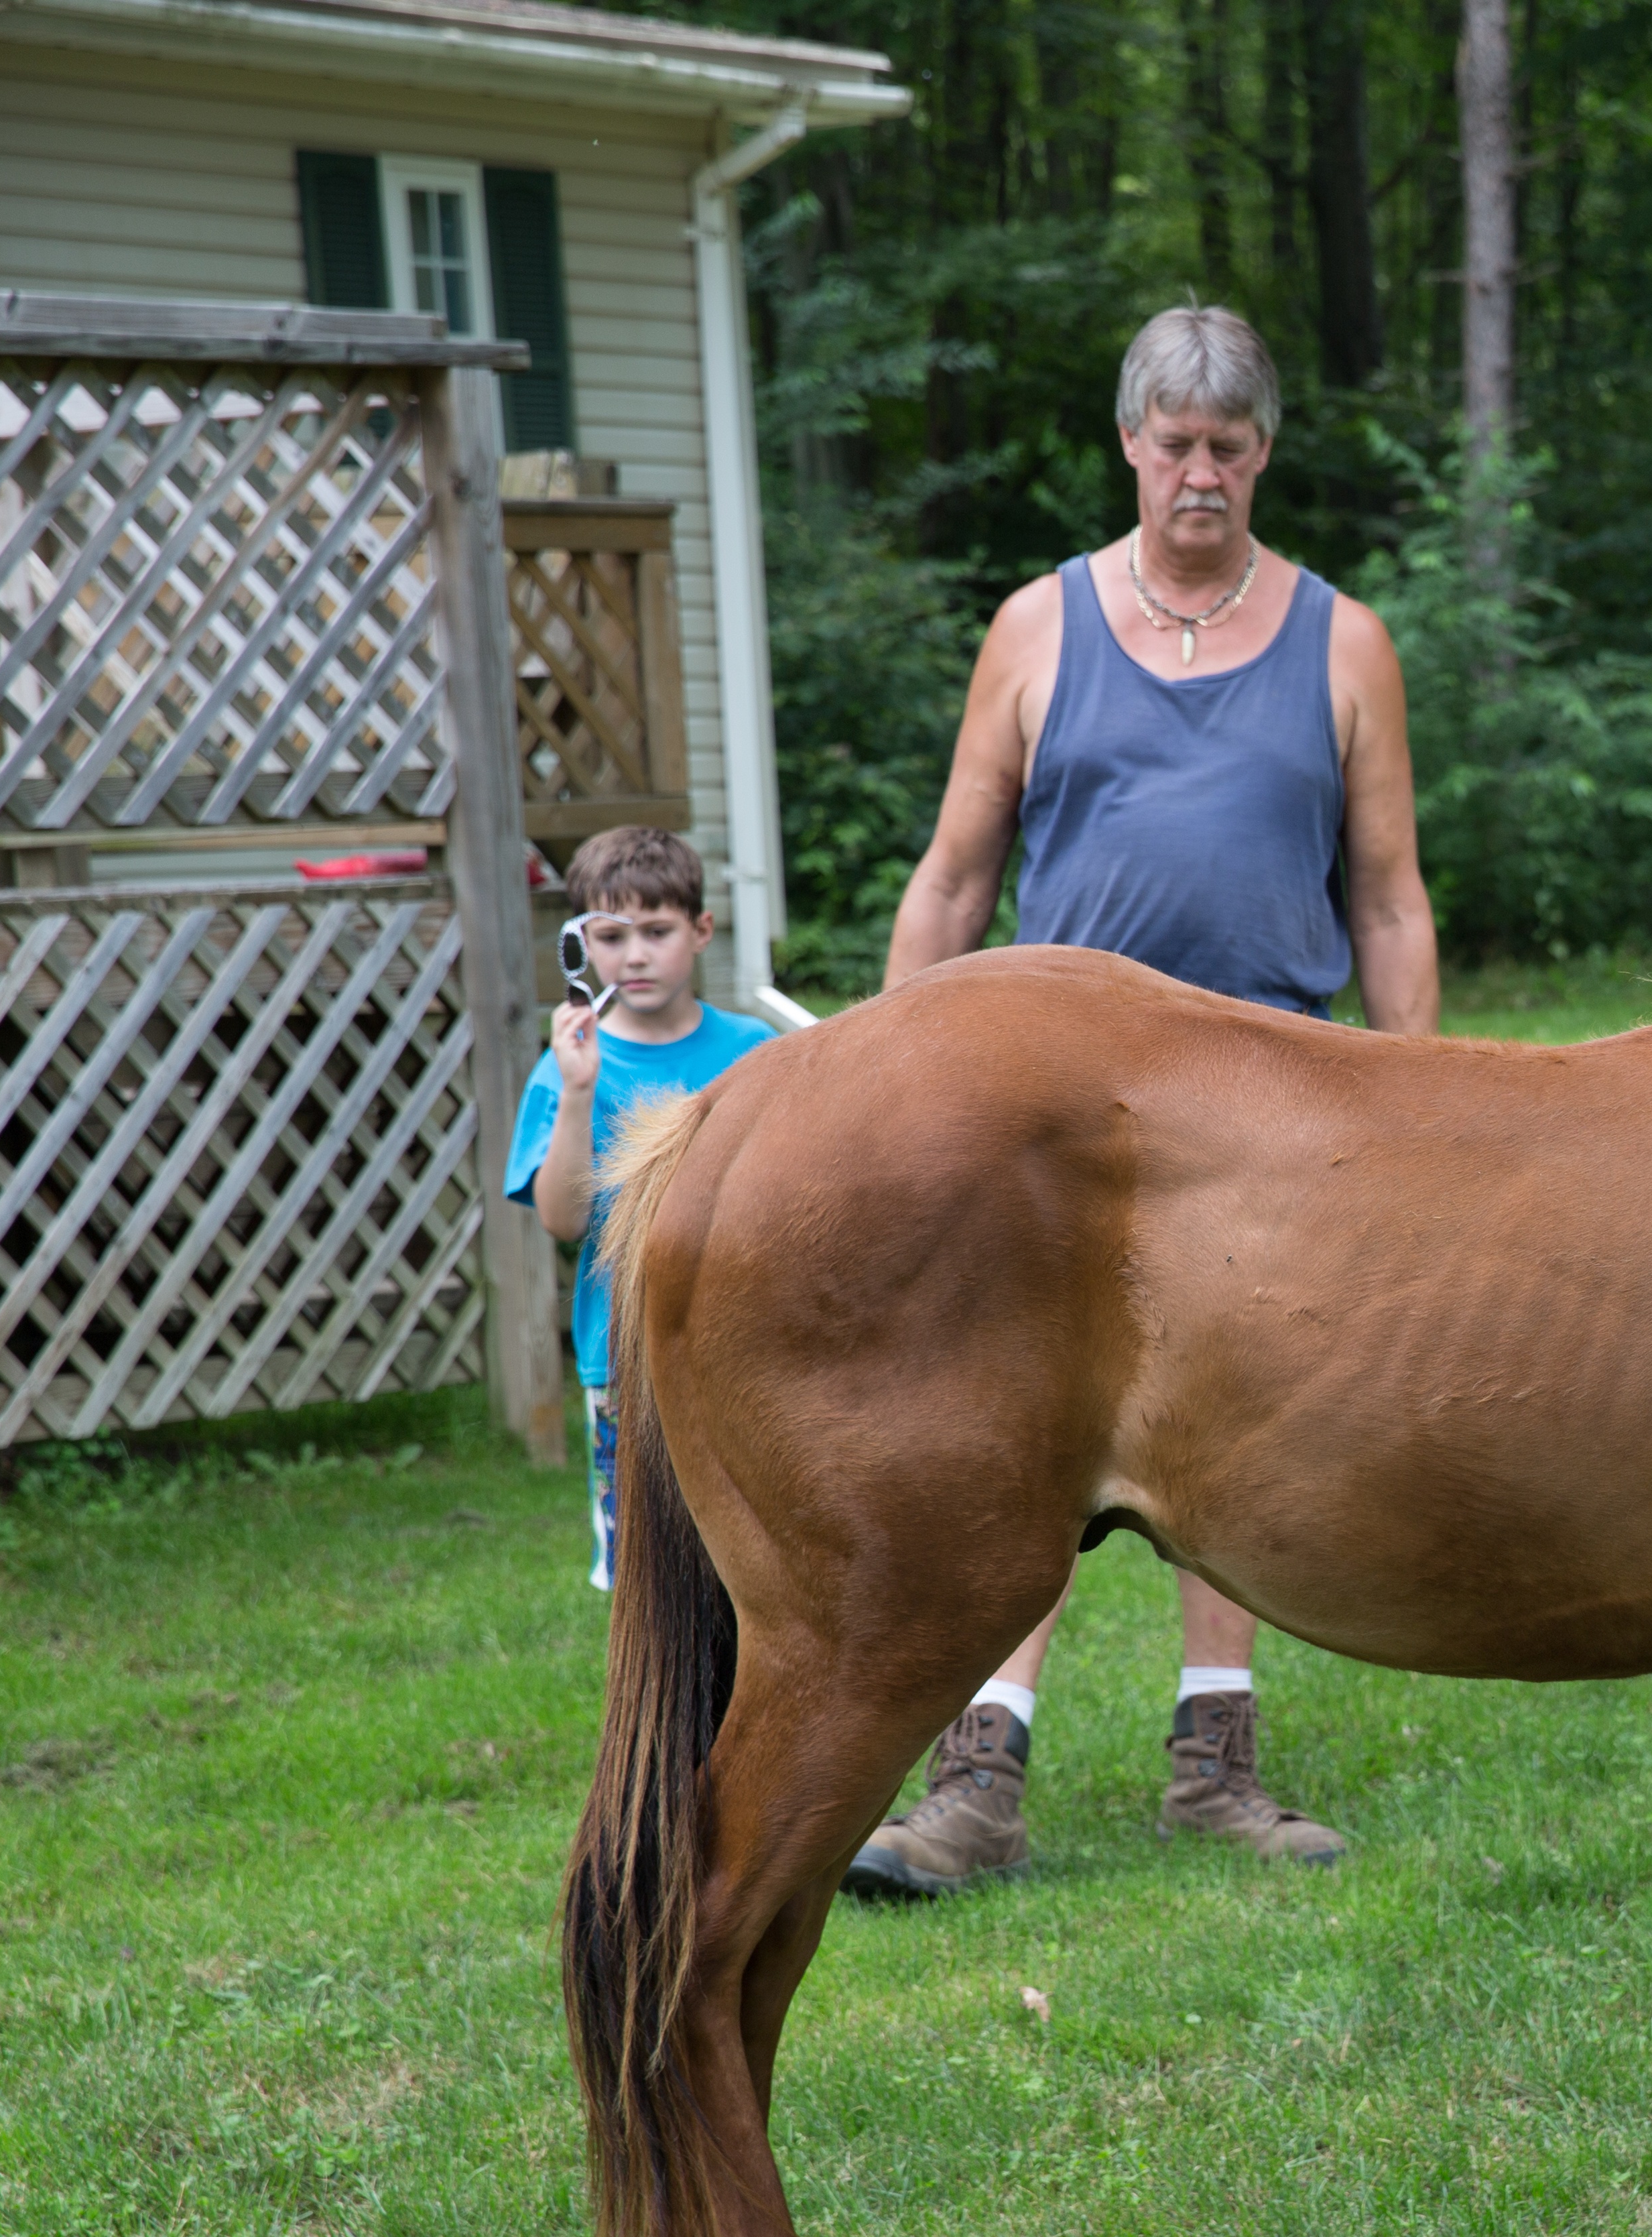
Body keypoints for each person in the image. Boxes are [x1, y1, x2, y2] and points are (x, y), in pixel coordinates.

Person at [844, 302, 1441, 1900]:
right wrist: (897, 1086)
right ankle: (974, 1780)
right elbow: (958, 870)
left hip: (1268, 1094)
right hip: (1055, 1104)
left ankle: (1214, 1767)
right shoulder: (1036, 628)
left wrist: (1418, 1099)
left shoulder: (1344, 640)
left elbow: (1385, 895)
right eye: (1173, 444)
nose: (1200, 474)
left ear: (1262, 455)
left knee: (1235, 1431)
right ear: (1128, 445)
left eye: (1228, 448)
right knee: (1014, 1430)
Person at [506, 827, 781, 1589]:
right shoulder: (567, 1071)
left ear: (700, 931)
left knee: (760, 1559)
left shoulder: (758, 1054)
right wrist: (579, 1090)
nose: (634, 956)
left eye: (657, 932)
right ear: (580, 944)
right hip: (629, 1362)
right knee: (653, 1577)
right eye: (611, 936)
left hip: (753, 1349)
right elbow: (563, 1221)